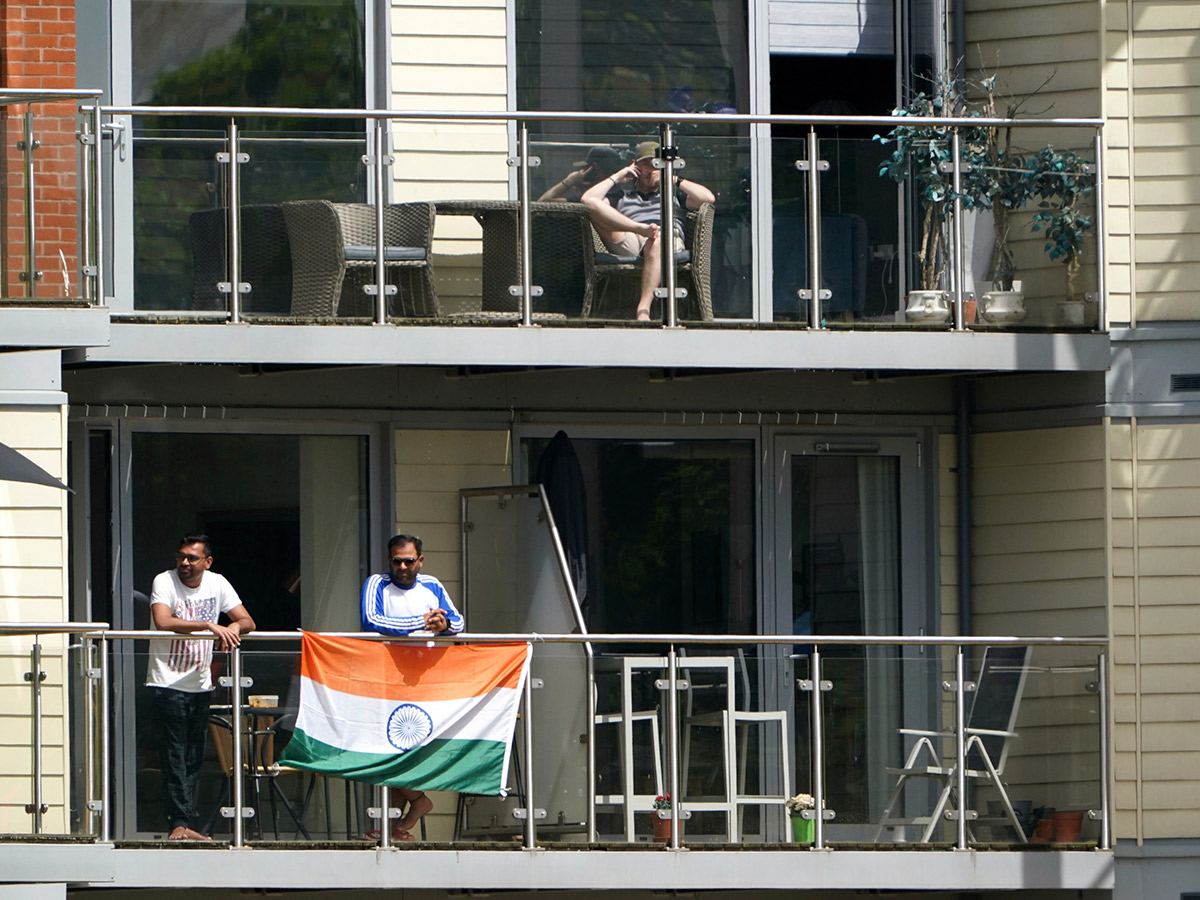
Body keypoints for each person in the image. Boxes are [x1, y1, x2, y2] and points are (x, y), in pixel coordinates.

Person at [146, 533, 255, 841]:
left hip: (200, 682)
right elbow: (163, 621)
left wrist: (233, 627)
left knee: (194, 755)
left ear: (207, 562)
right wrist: (209, 625)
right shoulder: (164, 581)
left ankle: (184, 823)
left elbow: (247, 620)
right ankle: (177, 825)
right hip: (166, 680)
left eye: (192, 558)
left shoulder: (217, 583)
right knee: (174, 754)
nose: (184, 563)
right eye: (180, 556)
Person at [360, 533, 464, 841]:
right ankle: (418, 801)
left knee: (407, 747)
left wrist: (441, 626)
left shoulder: (432, 584)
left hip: (424, 679)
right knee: (388, 746)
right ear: (389, 560)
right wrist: (421, 623)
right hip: (386, 677)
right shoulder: (377, 584)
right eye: (396, 561)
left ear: (420, 560)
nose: (402, 567)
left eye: (408, 561)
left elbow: (457, 621)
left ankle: (390, 827)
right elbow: (371, 620)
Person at [581, 139, 716, 321]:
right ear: (636, 167)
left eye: (657, 165)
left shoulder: (675, 193)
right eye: (648, 164)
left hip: (665, 239)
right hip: (631, 235)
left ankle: (643, 309)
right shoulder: (622, 194)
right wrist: (617, 176)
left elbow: (707, 198)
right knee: (591, 205)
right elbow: (588, 200)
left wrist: (672, 178)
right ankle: (640, 228)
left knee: (658, 239)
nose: (652, 170)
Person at [538, 145, 622, 202]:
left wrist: (569, 181)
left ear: (595, 168)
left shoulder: (589, 198)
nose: (582, 171)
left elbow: (543, 202)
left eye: (585, 168)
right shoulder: (621, 195)